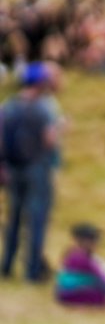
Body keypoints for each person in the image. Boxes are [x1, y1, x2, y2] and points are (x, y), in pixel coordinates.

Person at [1, 63, 58, 282]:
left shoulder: (9, 107)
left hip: (13, 169)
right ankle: (32, 271)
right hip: (37, 169)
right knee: (36, 219)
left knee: (13, 218)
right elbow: (49, 139)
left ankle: (6, 266)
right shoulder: (43, 108)